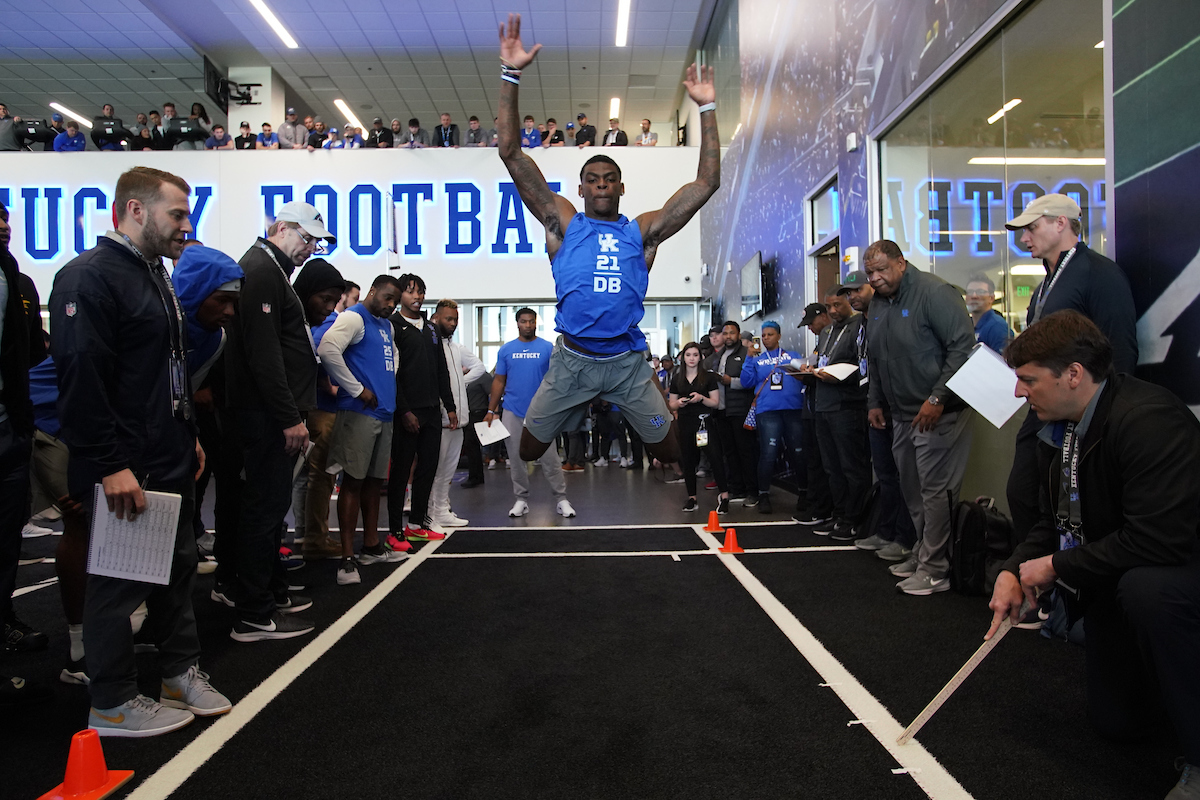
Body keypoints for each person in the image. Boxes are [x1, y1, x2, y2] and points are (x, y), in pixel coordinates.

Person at [987, 310, 1200, 800]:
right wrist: (1013, 569)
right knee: (1116, 723)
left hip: (1177, 568)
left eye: (1028, 380)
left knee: (1147, 591)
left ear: (1073, 374)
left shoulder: (1148, 420)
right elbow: (1055, 522)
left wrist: (1055, 566)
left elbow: (1160, 540)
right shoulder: (1061, 427)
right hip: (1128, 570)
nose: (1018, 392)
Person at [49, 167, 231, 733]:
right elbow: (81, 379)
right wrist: (109, 464)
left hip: (167, 451)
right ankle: (112, 701)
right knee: (118, 581)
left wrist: (187, 432)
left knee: (177, 571)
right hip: (126, 460)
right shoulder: (88, 277)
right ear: (135, 210)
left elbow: (163, 370)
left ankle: (178, 675)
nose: (186, 226)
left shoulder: (154, 274)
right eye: (177, 214)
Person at [496, 13, 719, 470]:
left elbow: (706, 183)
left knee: (669, 452)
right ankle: (575, 407)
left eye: (610, 178)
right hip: (571, 362)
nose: (601, 183)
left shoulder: (642, 232)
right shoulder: (563, 223)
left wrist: (707, 107)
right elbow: (511, 154)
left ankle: (639, 412)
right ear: (581, 189)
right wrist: (510, 74)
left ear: (621, 187)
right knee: (528, 450)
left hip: (626, 363)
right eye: (593, 179)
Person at [1002, 194, 1138, 615]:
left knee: (1074, 505)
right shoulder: (1047, 282)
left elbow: (1120, 348)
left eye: (1032, 227)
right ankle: (1038, 588)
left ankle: (1065, 596)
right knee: (1027, 494)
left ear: (1061, 223)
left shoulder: (1099, 273)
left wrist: (1104, 415)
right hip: (1046, 412)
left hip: (1084, 415)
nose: (1025, 238)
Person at [223, 202, 339, 641]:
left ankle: (267, 596)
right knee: (263, 509)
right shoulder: (261, 270)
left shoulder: (271, 271)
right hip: (267, 417)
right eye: (307, 238)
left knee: (269, 510)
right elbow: (264, 353)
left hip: (271, 414)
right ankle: (254, 612)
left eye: (315, 242)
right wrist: (290, 417)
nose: (310, 248)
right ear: (281, 228)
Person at [863, 239, 976, 596]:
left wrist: (937, 397)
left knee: (935, 492)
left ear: (901, 262)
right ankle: (923, 551)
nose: (875, 279)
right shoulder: (879, 303)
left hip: (939, 412)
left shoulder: (935, 293)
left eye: (881, 270)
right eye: (869, 273)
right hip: (901, 414)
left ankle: (935, 569)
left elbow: (962, 349)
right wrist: (875, 400)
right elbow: (877, 357)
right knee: (912, 490)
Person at [317, 275, 406, 586]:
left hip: (383, 413)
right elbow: (327, 350)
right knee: (353, 483)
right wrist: (356, 389)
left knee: (374, 483)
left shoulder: (386, 326)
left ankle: (371, 547)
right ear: (372, 292)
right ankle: (346, 558)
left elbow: (393, 358)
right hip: (358, 413)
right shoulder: (354, 318)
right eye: (387, 298)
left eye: (395, 301)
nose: (391, 305)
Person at [837, 270, 917, 563]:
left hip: (896, 406)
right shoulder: (862, 324)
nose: (853, 297)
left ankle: (906, 538)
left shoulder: (888, 317)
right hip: (872, 403)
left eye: (858, 290)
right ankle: (886, 531)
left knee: (905, 476)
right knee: (885, 473)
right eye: (849, 293)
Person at [485, 308, 574, 519]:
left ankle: (561, 499)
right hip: (512, 410)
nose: (527, 325)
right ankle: (521, 500)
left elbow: (557, 379)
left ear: (536, 323)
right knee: (516, 458)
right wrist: (491, 410)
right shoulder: (506, 350)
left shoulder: (547, 348)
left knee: (550, 458)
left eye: (531, 321)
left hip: (541, 413)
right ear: (517, 323)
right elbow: (499, 381)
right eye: (524, 321)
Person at [388, 273, 456, 542]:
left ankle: (417, 523)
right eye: (411, 291)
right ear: (400, 295)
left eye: (421, 291)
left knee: (428, 469)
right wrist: (404, 410)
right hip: (406, 413)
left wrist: (449, 406)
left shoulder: (431, 328)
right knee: (401, 471)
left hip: (431, 411)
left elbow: (441, 370)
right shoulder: (392, 326)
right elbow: (392, 374)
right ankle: (395, 529)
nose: (417, 296)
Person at [808, 287, 870, 540]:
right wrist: (811, 371)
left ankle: (856, 519)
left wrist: (841, 376)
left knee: (851, 466)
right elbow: (823, 360)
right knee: (832, 467)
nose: (833, 311)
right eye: (829, 307)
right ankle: (840, 514)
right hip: (823, 404)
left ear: (849, 303)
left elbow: (865, 366)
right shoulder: (826, 332)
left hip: (847, 406)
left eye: (838, 305)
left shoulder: (860, 326)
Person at [428, 300, 485, 530]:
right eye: (448, 319)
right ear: (436, 318)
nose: (452, 323)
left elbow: (479, 367)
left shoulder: (456, 348)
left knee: (448, 471)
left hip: (459, 421)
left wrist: (460, 381)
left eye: (455, 320)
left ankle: (442, 511)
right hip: (440, 420)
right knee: (434, 471)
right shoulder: (430, 347)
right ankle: (429, 514)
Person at [740, 321, 806, 515]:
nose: (766, 338)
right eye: (763, 335)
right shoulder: (757, 359)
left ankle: (804, 493)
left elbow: (804, 377)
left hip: (793, 409)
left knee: (799, 452)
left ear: (779, 336)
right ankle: (764, 495)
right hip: (767, 411)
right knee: (768, 453)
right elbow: (746, 382)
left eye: (770, 334)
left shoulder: (792, 356)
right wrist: (749, 358)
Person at [668, 342, 724, 512]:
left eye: (695, 355)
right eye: (688, 355)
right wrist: (679, 403)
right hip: (685, 423)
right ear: (683, 357)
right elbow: (671, 404)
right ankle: (692, 497)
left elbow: (715, 402)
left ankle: (724, 495)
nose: (691, 358)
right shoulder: (677, 378)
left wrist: (701, 398)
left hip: (704, 422)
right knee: (688, 461)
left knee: (715, 458)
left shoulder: (708, 377)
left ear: (700, 357)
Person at [707, 321, 759, 505]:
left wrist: (731, 381)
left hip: (740, 409)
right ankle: (737, 489)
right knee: (729, 452)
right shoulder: (718, 355)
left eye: (732, 333)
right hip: (721, 410)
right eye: (725, 333)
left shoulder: (746, 354)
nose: (728, 336)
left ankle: (753, 491)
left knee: (745, 451)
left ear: (738, 334)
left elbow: (752, 381)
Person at [965, 273, 1012, 352]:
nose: (974, 296)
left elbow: (1002, 359)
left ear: (991, 298)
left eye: (980, 291)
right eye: (970, 292)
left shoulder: (997, 327)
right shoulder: (966, 326)